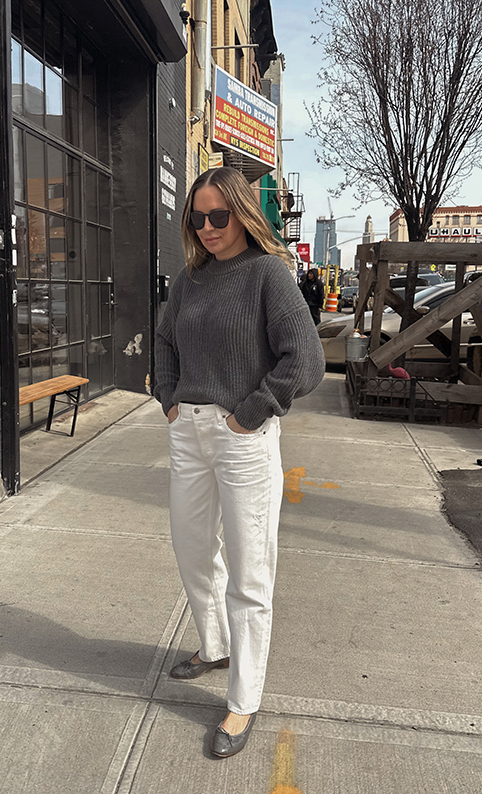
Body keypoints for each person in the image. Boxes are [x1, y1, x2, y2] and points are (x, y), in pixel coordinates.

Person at [154, 166, 325, 758]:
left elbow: (305, 358)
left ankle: (242, 699)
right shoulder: (188, 280)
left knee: (251, 571)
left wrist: (252, 410)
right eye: (196, 217)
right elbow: (164, 342)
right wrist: (170, 399)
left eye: (218, 216)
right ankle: (214, 644)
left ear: (242, 215)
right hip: (189, 433)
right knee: (193, 548)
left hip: (243, 436)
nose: (206, 228)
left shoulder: (266, 275)